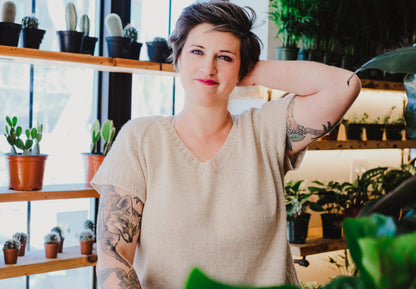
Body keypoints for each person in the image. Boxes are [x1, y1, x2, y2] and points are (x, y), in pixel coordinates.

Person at [92, 1, 361, 289]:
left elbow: (344, 85)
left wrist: (245, 67)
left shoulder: (264, 131)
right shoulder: (141, 138)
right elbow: (113, 255)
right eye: (197, 51)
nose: (208, 67)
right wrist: (227, 61)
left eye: (224, 57)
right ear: (178, 57)